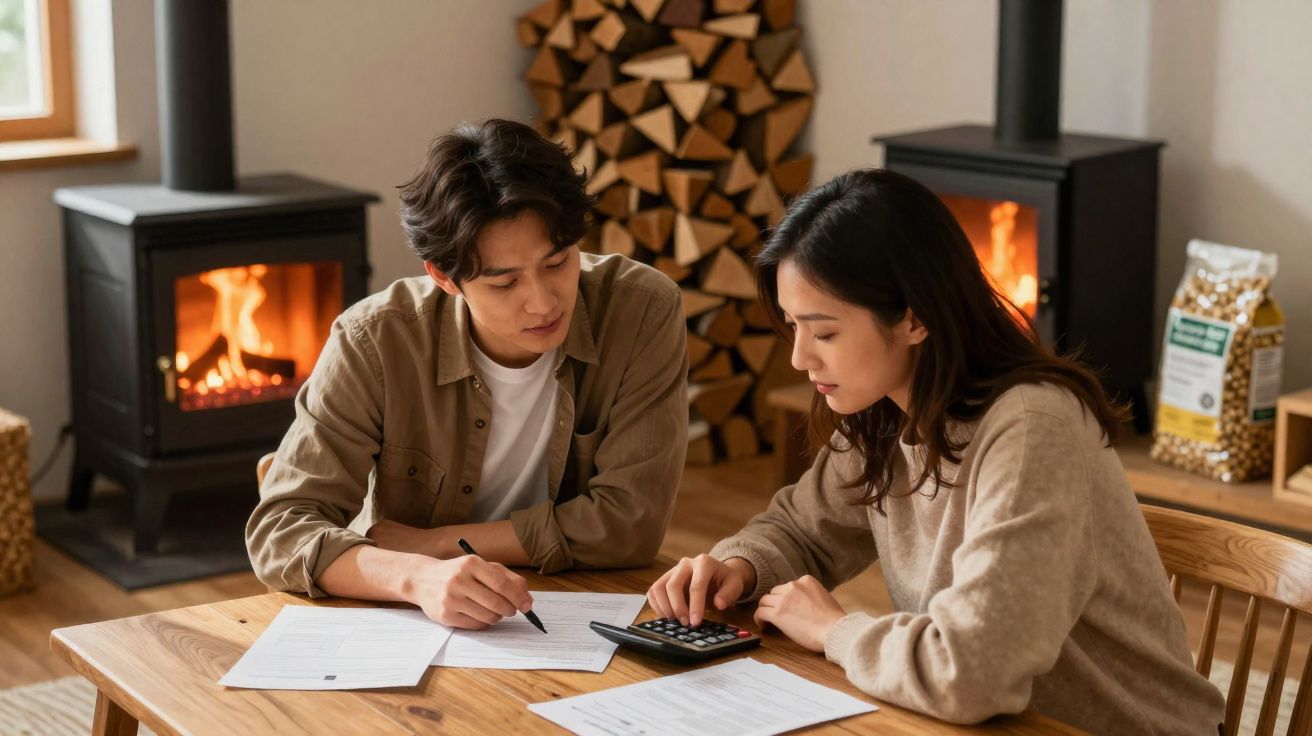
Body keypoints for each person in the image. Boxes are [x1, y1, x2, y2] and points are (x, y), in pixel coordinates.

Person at [648, 169, 1224, 733]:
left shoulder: (1033, 428)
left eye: (824, 333)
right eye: (793, 326)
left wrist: (835, 631)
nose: (800, 358)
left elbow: (973, 671)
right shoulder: (882, 409)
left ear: (914, 318)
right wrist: (738, 567)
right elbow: (802, 529)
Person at [247, 119, 688, 630]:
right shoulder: (376, 340)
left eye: (558, 262)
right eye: (504, 284)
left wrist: (435, 544)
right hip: (415, 617)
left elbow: (630, 525)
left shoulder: (641, 310)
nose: (543, 303)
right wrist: (415, 577)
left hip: (575, 604)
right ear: (443, 276)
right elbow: (280, 531)